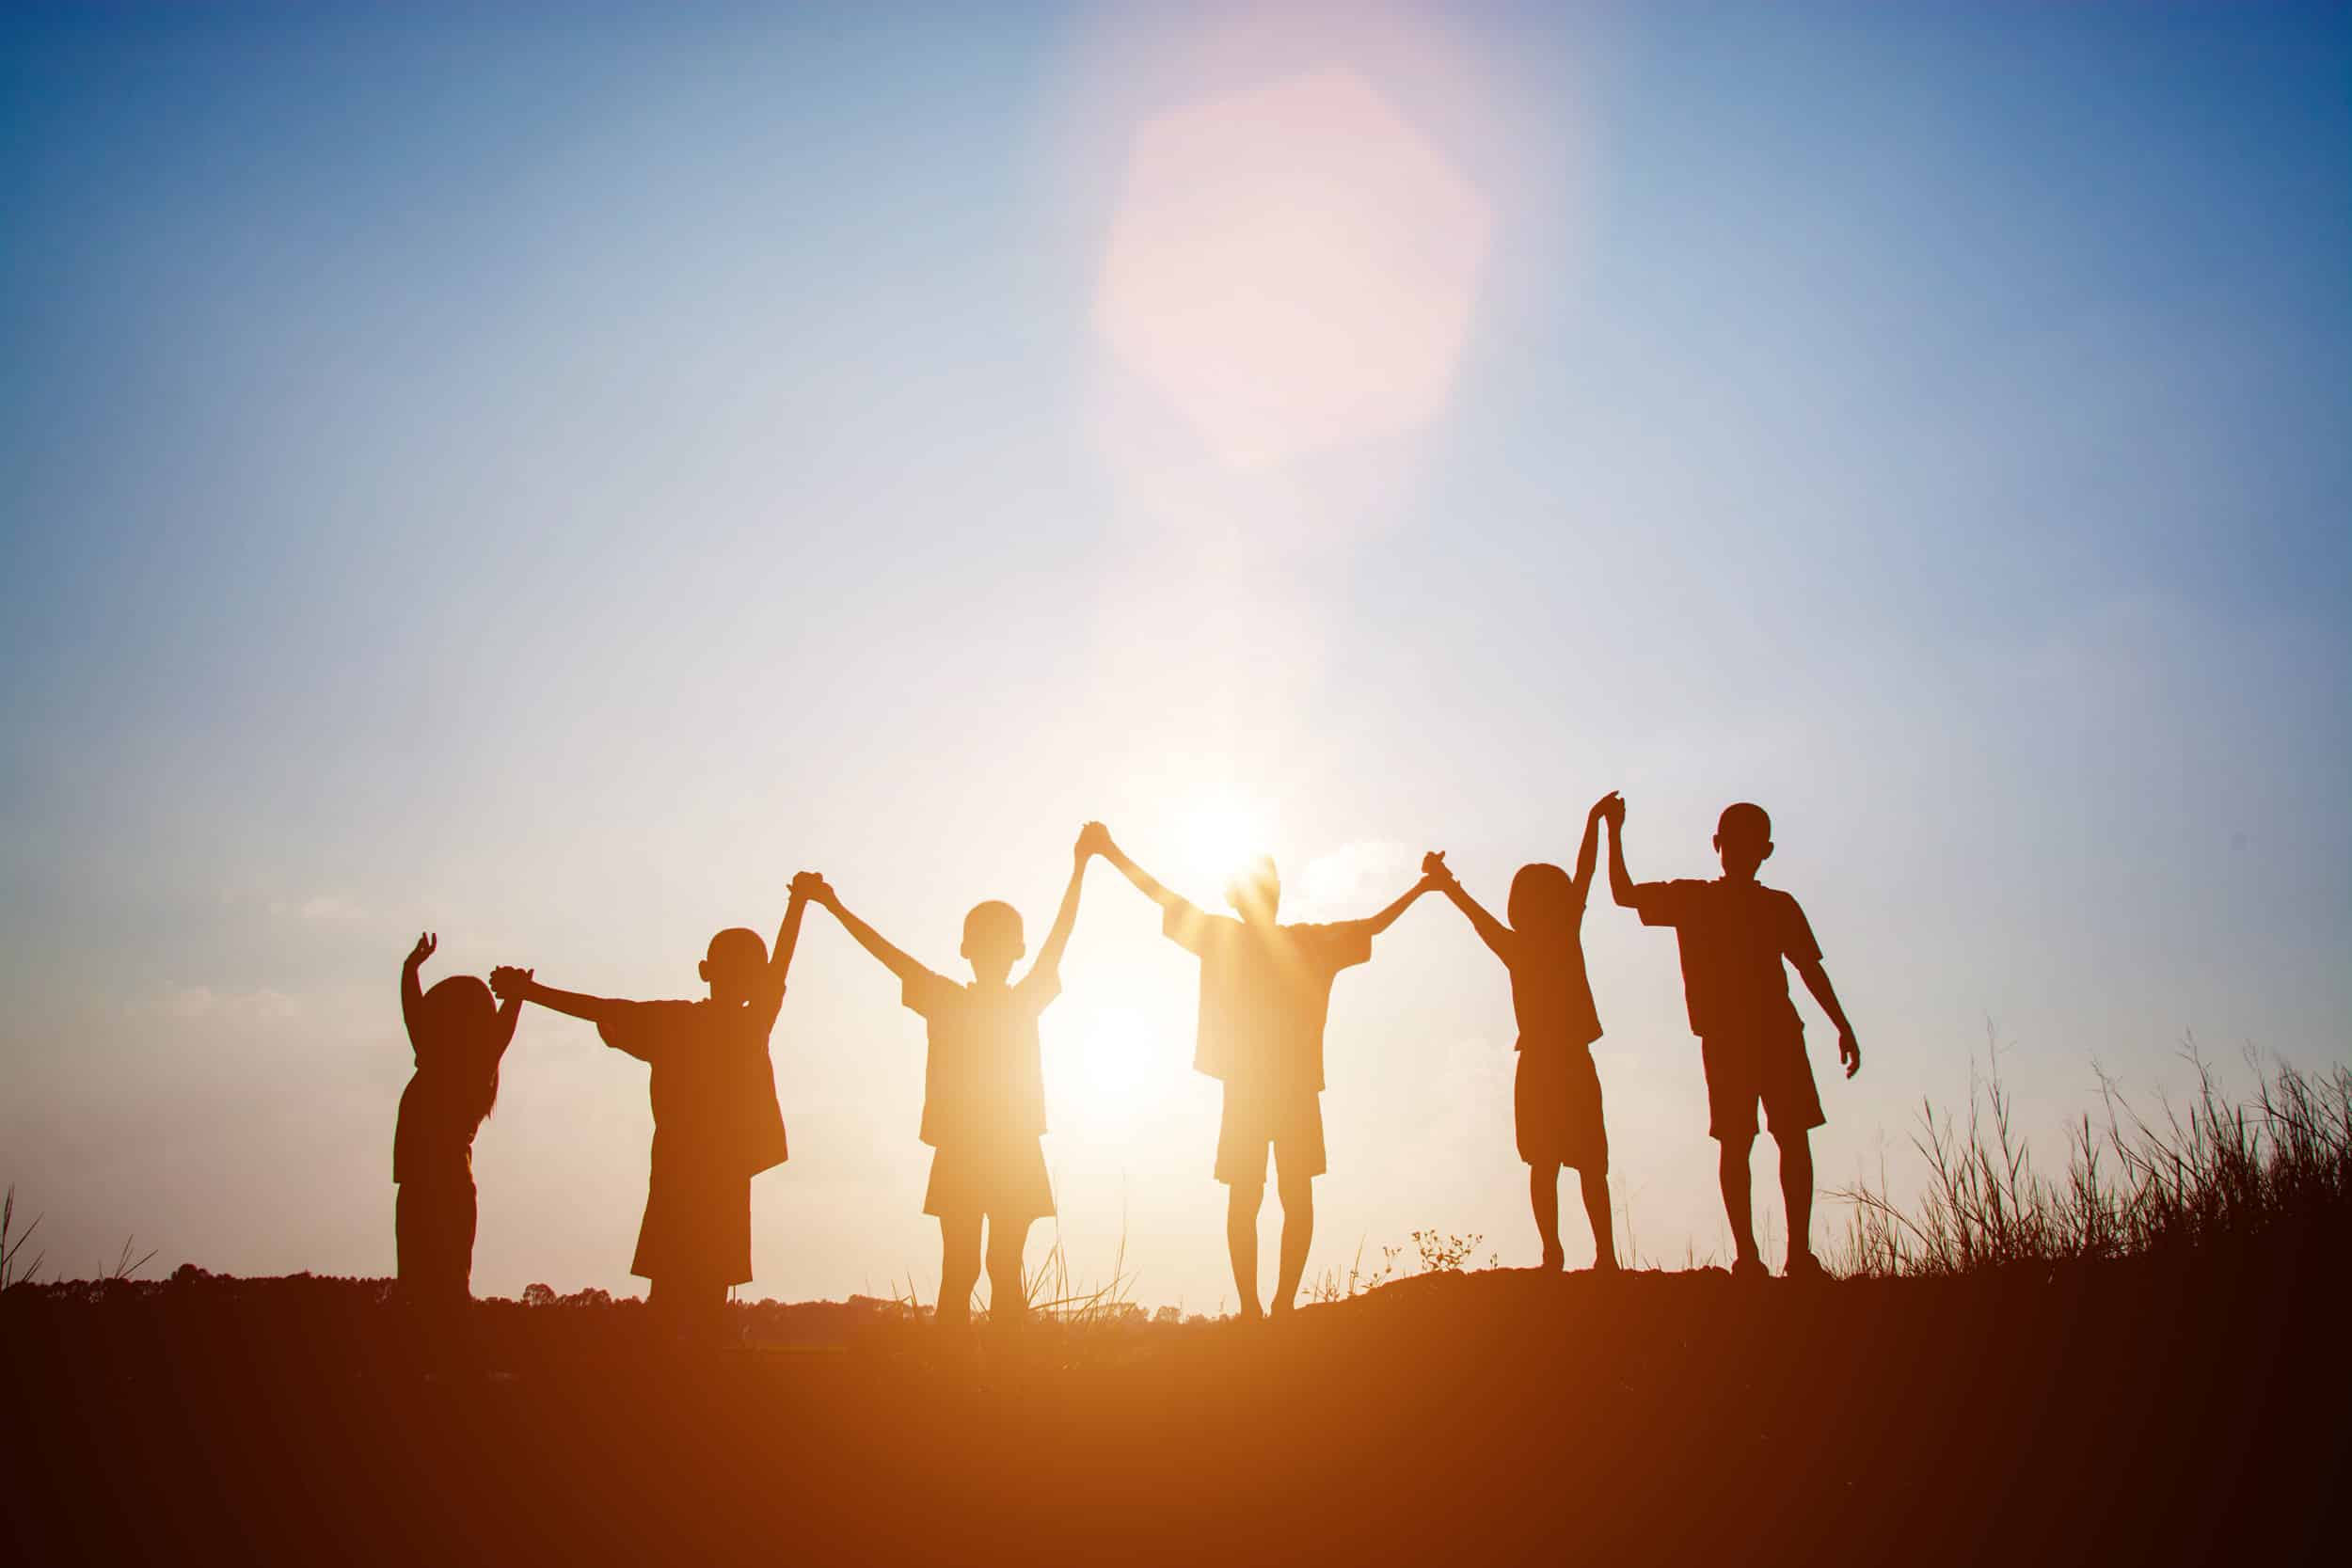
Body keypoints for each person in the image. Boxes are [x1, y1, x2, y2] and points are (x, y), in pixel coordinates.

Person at [1094, 825, 1441, 1319]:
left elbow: (1165, 898)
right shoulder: (1291, 941)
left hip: (1266, 1089)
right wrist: (1423, 888)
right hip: (1267, 1089)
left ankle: (1269, 1306)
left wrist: (1111, 851)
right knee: (1272, 1195)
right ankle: (1264, 1306)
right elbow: (1373, 926)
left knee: (1264, 1195)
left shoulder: (1266, 939)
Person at [489, 877, 814, 1343]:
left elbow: (598, 1008)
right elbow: (780, 964)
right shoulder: (748, 1023)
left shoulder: (675, 1022)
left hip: (679, 1172)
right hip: (717, 1173)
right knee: (704, 1293)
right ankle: (694, 1370)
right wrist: (798, 903)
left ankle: (665, 1369)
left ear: (705, 970)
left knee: (672, 1291)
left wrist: (530, 991)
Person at [802, 828, 1096, 1335]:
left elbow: (888, 954)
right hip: (988, 1148)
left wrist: (833, 906)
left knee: (976, 1266)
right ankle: (984, 1365)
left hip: (992, 1147)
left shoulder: (961, 1000)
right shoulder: (984, 999)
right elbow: (1058, 939)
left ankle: (981, 1364)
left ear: (970, 948)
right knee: (984, 1266)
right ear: (1011, 950)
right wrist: (1081, 865)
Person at [1604, 798, 1861, 1279]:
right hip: (1739, 1037)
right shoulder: (1700, 899)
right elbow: (1624, 895)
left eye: (1748, 843)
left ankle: (1784, 1255)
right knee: (1750, 1141)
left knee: (1773, 1140)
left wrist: (1842, 1026)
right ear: (1720, 845)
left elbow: (1809, 970)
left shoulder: (1761, 905)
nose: (1741, 852)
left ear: (1762, 850)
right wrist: (1613, 832)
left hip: (1770, 1034)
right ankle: (1757, 1256)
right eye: (1736, 842)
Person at [1422, 793, 1621, 1273]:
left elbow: (1474, 910)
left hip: (1548, 1063)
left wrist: (1445, 882)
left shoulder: (1523, 944)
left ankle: (1570, 1254)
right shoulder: (1555, 937)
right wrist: (1595, 822)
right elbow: (1584, 874)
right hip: (1564, 1061)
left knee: (1554, 1164)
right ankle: (1591, 1255)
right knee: (1572, 1165)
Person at [394, 931, 522, 1315]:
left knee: (434, 1286)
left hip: (436, 1185)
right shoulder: (464, 1062)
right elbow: (415, 1012)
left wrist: (411, 969)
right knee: (431, 1286)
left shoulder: (454, 1062)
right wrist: (517, 994)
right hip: (433, 1184)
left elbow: (414, 1012)